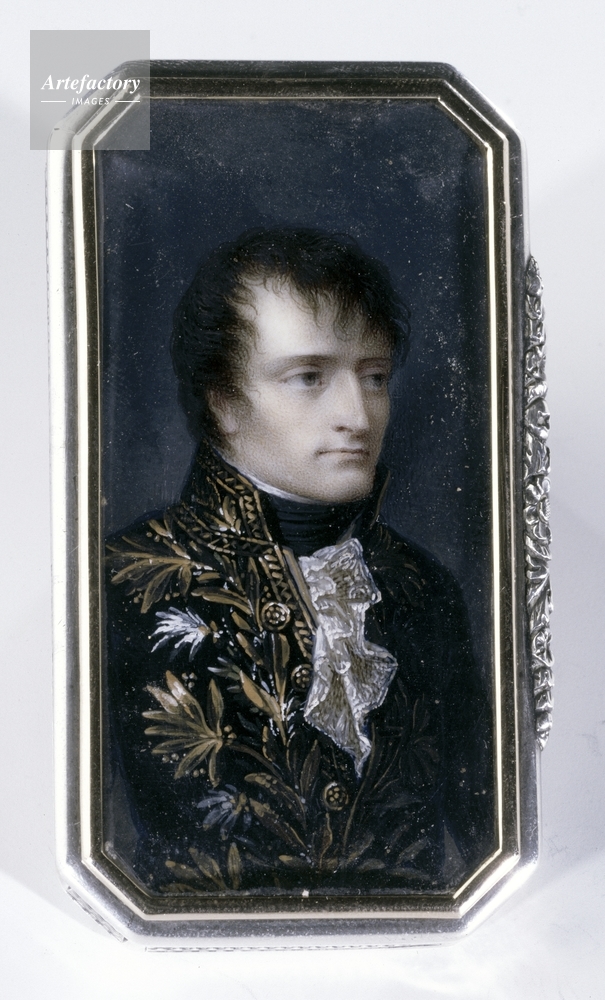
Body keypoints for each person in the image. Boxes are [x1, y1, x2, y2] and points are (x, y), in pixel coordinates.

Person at [105, 227, 494, 895]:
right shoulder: (119, 584)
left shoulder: (423, 588)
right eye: (309, 377)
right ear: (223, 400)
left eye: (374, 377)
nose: (357, 416)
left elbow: (484, 841)